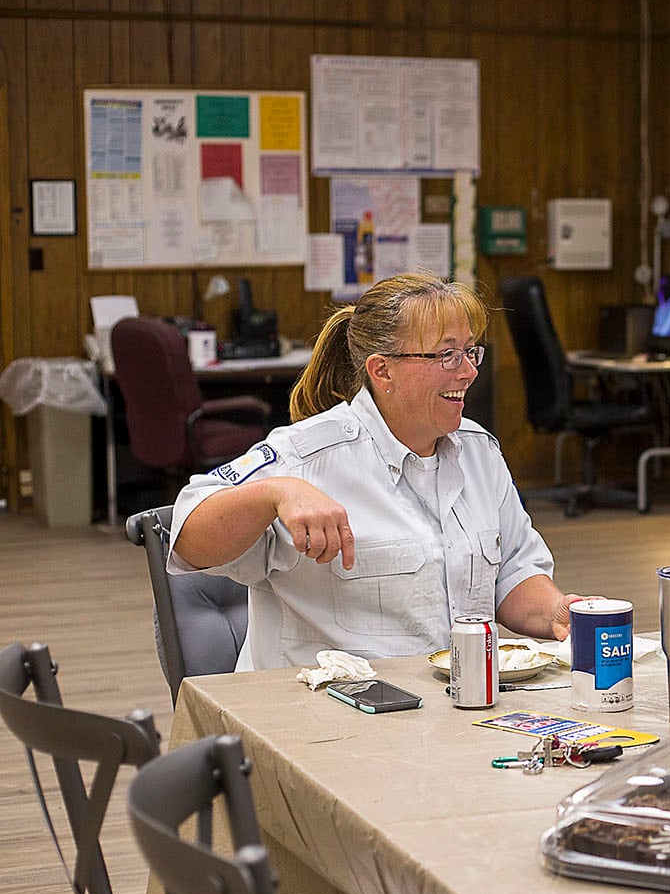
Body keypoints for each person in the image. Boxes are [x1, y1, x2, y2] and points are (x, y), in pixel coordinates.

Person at [169, 273, 583, 671]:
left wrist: (556, 612)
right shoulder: (306, 456)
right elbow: (187, 538)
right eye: (446, 355)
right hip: (324, 721)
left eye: (471, 351)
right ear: (382, 370)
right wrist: (275, 492)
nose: (469, 371)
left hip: (453, 706)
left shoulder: (479, 453)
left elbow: (512, 572)